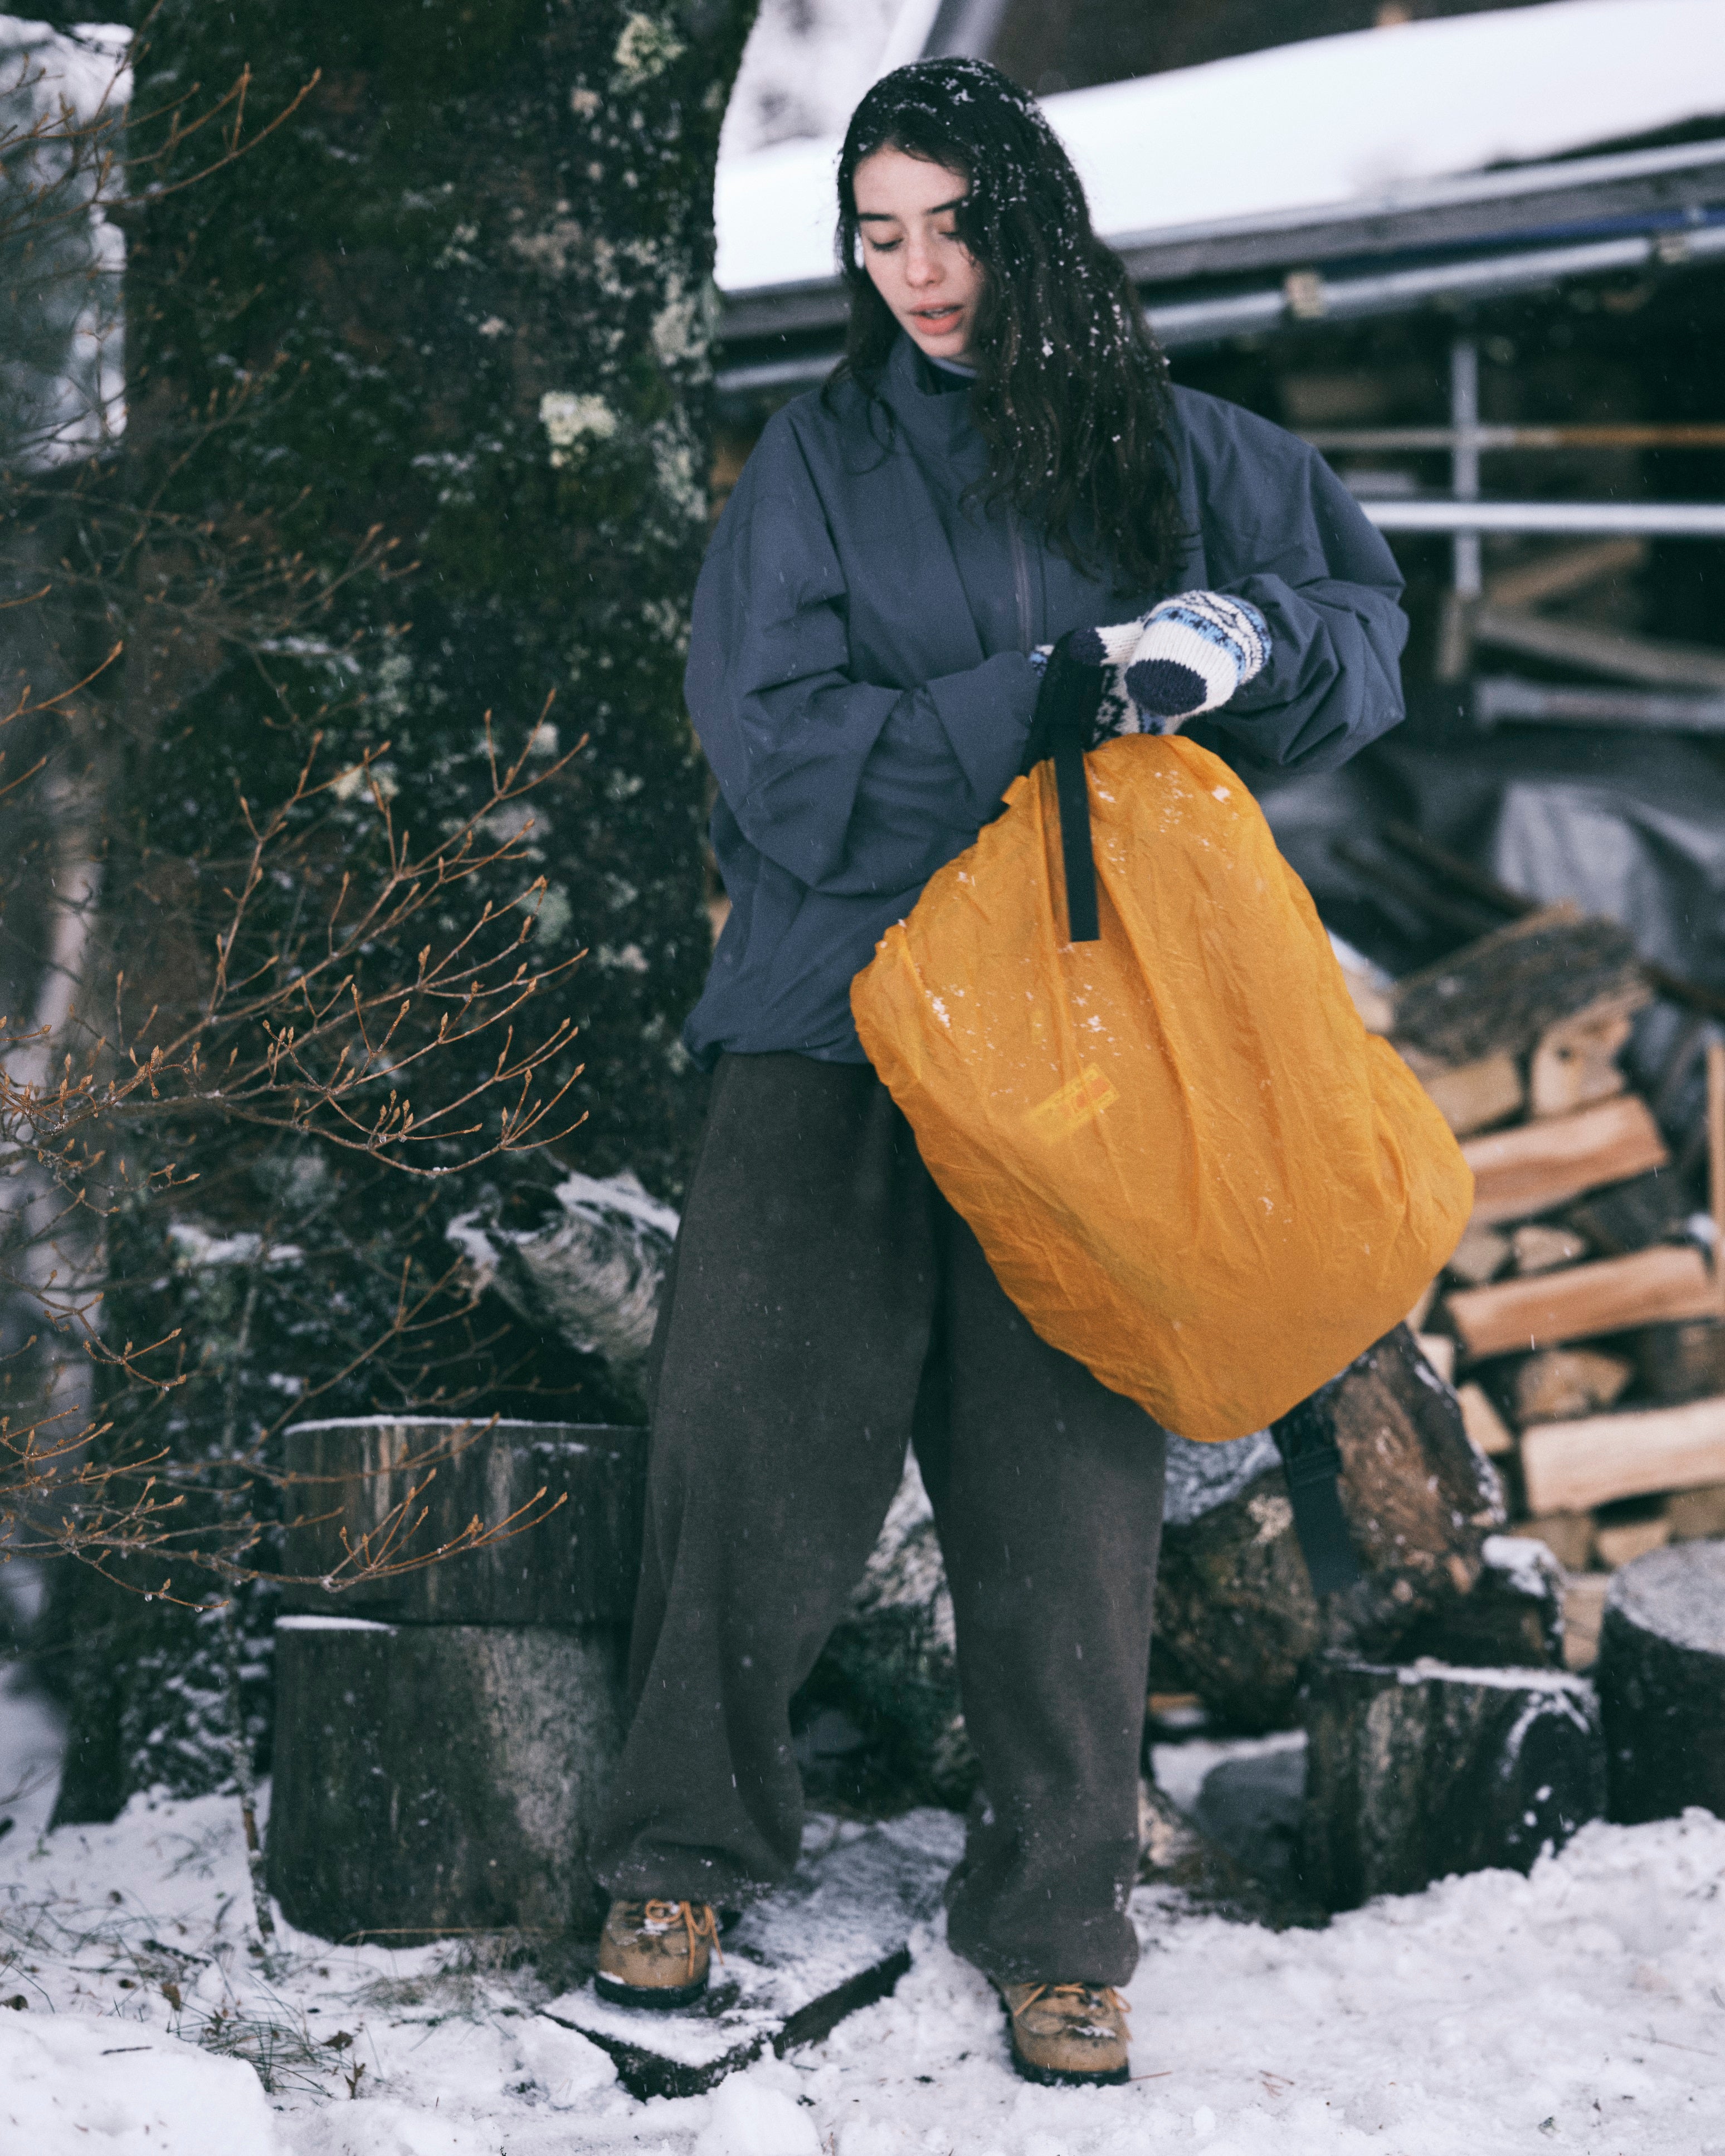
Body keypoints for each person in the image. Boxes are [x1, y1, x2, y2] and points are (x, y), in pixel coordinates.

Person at [587, 56, 1407, 2089]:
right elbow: (782, 765)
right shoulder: (814, 471)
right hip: (834, 1021)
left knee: (1068, 1497)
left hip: (1093, 1051)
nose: (920, 271)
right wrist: (1043, 698)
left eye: (953, 225)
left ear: (1032, 223)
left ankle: (1060, 1922)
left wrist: (1243, 645)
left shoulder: (1184, 452)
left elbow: (1363, 635)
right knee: (750, 1447)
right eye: (878, 234)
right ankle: (679, 1855)